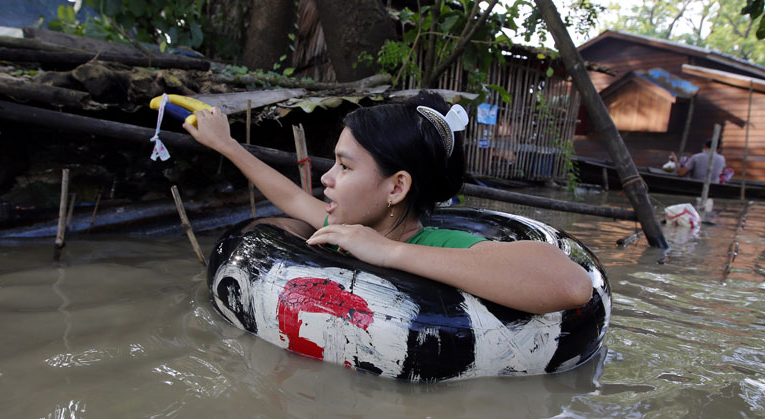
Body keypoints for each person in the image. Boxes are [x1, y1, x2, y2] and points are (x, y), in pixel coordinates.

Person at [184, 91, 592, 314]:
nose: (326, 180)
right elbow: (291, 196)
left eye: (344, 167)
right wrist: (226, 145)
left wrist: (387, 251)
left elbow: (572, 286)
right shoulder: (341, 232)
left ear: (396, 188)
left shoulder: (440, 245)